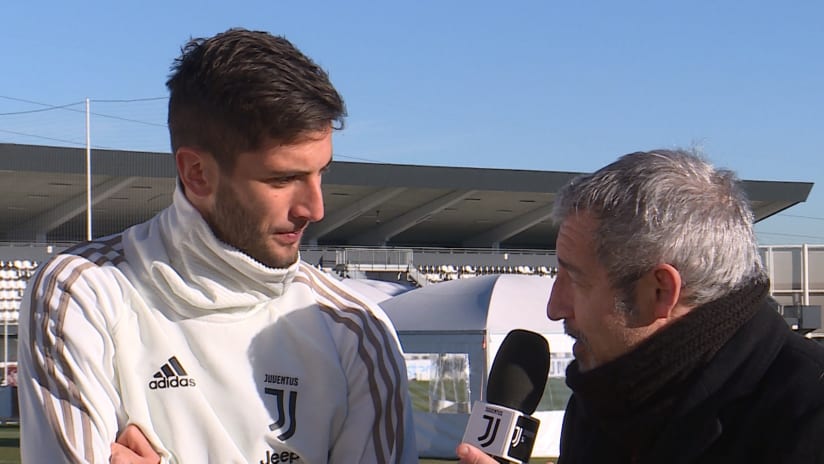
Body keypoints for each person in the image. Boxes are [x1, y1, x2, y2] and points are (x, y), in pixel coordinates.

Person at [19, 28, 417, 463]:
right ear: (197, 173)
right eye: (282, 179)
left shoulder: (357, 333)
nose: (315, 208)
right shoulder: (83, 292)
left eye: (322, 173)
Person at [458, 149, 824, 463]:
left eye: (576, 280)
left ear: (660, 291)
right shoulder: (603, 399)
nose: (554, 307)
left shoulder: (807, 415)